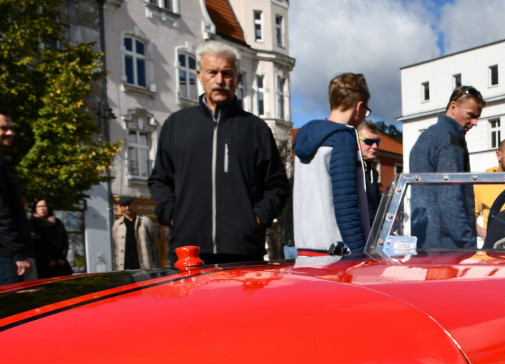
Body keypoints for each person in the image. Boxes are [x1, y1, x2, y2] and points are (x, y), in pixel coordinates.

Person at [148, 41, 289, 264]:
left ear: (238, 79)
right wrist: (172, 215)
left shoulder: (255, 129)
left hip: (243, 251)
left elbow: (278, 184)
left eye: (227, 73)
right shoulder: (177, 125)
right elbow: (159, 180)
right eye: (212, 73)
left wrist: (255, 219)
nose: (219, 81)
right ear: (200, 75)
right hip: (188, 252)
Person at [293, 73, 371, 255]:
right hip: (337, 252)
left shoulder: (305, 138)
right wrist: (359, 252)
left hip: (306, 247)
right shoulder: (342, 139)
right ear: (359, 107)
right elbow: (346, 202)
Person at [408, 85, 485, 248]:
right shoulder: (450, 141)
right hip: (448, 245)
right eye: (471, 115)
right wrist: (467, 240)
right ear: (453, 107)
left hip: (425, 239)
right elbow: (450, 197)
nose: (475, 123)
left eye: (477, 117)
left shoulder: (427, 136)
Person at [0, 110, 32, 285]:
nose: (10, 133)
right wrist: (18, 253)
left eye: (11, 128)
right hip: (5, 255)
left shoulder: (3, 161)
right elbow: (2, 213)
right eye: (3, 128)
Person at [112, 196, 158, 270]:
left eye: (129, 205)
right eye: (124, 206)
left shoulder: (145, 221)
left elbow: (153, 239)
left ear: (133, 205)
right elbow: (116, 243)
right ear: (121, 208)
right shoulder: (118, 224)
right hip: (124, 266)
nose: (127, 208)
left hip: (143, 265)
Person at [28, 198, 71, 278]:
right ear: (35, 209)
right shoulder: (32, 223)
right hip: (43, 264)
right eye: (39, 206)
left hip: (60, 262)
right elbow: (36, 244)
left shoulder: (57, 222)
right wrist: (48, 259)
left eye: (44, 206)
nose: (42, 209)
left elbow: (65, 240)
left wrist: (62, 257)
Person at [357, 119, 383, 220]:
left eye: (377, 141)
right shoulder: (351, 169)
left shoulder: (372, 170)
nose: (375, 146)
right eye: (369, 142)